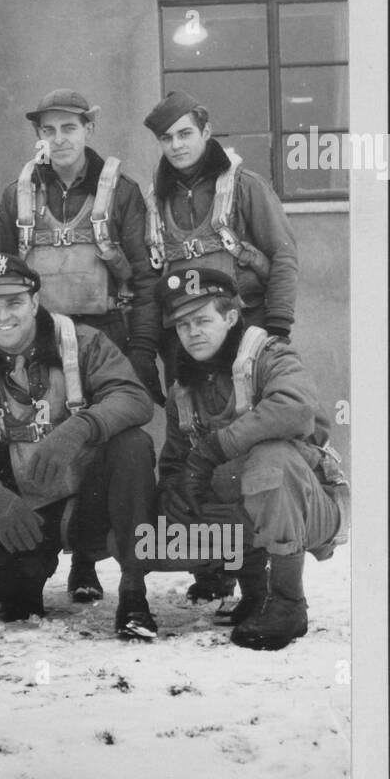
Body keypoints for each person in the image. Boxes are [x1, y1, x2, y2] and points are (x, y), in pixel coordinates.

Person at [0, 253, 159, 638]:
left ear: (35, 303)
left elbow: (135, 398)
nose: (3, 316)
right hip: (28, 513)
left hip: (89, 502)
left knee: (133, 445)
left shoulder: (82, 343)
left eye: (14, 303)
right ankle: (23, 573)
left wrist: (79, 428)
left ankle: (134, 592)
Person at [0, 89, 163, 603]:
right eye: (49, 129)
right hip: (34, 340)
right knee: (32, 434)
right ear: (39, 136)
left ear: (89, 128)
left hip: (103, 334)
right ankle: (36, 552)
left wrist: (141, 348)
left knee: (101, 441)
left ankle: (88, 559)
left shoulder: (121, 191)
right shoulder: (16, 193)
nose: (59, 139)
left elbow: (147, 279)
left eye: (69, 128)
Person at [143, 88, 300, 604]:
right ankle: (214, 566)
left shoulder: (243, 186)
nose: (177, 145)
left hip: (244, 328)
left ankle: (262, 575)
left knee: (244, 440)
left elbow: (282, 255)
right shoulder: (157, 198)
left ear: (206, 132)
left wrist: (276, 329)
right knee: (195, 438)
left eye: (186, 133)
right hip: (186, 339)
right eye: (167, 138)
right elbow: (150, 277)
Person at [155, 268, 348, 650]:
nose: (192, 332)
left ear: (230, 318)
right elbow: (176, 460)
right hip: (249, 510)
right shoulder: (183, 389)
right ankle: (255, 593)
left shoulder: (269, 355)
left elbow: (296, 409)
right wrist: (175, 490)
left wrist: (216, 447)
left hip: (313, 506)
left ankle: (289, 603)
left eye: (202, 320)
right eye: (182, 325)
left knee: (269, 459)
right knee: (172, 503)